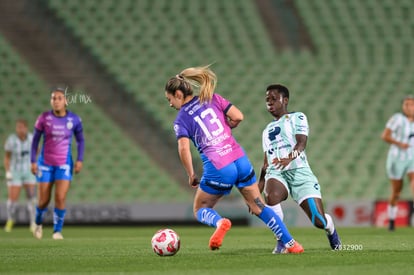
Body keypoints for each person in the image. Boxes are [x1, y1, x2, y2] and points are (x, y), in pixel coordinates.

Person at [164, 65, 303, 253]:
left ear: (178, 94)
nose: (170, 104)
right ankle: (292, 244)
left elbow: (183, 148)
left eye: (170, 99)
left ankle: (220, 222)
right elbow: (238, 116)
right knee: (258, 205)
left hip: (219, 167)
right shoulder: (212, 98)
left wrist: (191, 174)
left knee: (201, 209)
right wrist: (227, 127)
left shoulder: (181, 119)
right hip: (240, 160)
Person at [258, 84, 341, 253]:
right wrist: (257, 186)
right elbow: (266, 161)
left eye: (274, 99)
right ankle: (282, 241)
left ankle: (330, 229)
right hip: (277, 171)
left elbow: (301, 142)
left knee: (318, 220)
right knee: (271, 195)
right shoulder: (266, 131)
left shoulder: (298, 117)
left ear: (285, 100)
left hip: (299, 171)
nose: (270, 103)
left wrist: (289, 157)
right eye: (267, 100)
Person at [30, 87, 85, 240]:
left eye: (59, 98)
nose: (56, 101)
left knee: (60, 197)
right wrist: (33, 161)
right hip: (45, 164)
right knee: (43, 200)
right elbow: (35, 141)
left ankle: (57, 231)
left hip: (64, 163)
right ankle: (38, 222)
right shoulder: (44, 118)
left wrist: (79, 159)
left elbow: (80, 140)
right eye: (53, 98)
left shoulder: (74, 119)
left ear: (65, 101)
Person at [381, 95, 414, 231]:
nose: (408, 107)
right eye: (406, 104)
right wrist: (400, 143)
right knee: (396, 191)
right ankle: (392, 220)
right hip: (396, 159)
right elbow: (385, 136)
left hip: (412, 158)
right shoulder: (397, 119)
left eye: (411, 104)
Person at [3, 119, 37, 232]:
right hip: (15, 171)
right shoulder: (11, 140)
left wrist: (36, 165)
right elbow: (7, 157)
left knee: (32, 198)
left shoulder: (32, 138)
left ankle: (33, 222)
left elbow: (37, 151)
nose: (20, 129)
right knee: (12, 199)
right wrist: (8, 171)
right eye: (18, 127)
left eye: (22, 127)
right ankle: (11, 219)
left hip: (28, 171)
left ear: (26, 128)